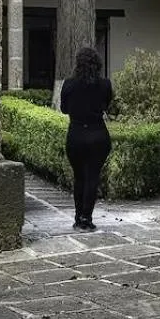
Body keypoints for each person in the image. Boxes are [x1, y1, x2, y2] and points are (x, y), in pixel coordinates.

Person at [60, 46, 113, 231]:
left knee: (79, 177)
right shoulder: (105, 84)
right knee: (92, 177)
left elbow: (64, 109)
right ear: (97, 64)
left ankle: (78, 217)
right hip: (98, 134)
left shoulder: (69, 84)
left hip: (76, 135)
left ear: (77, 64)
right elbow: (106, 105)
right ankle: (86, 217)